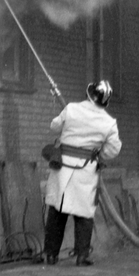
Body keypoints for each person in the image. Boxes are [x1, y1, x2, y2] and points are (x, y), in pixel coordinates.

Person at [40, 80, 122, 266]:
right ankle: (82, 255)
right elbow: (113, 149)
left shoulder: (71, 109)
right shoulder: (109, 123)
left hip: (63, 167)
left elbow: (54, 126)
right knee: (84, 213)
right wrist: (98, 154)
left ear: (88, 94)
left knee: (57, 211)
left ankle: (50, 255)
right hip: (86, 170)